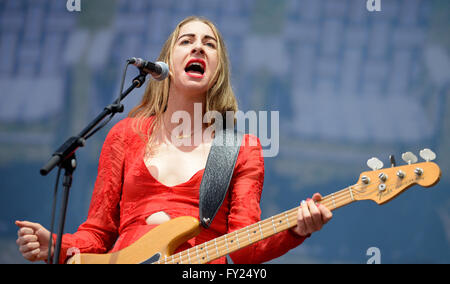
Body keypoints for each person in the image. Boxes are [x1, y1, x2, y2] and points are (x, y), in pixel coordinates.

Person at [15, 16, 332, 264]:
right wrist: (58, 245)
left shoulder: (241, 148)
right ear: (164, 64)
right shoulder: (126, 134)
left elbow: (246, 248)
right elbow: (98, 232)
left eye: (210, 44)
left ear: (217, 70)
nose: (198, 47)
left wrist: (296, 228)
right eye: (187, 41)